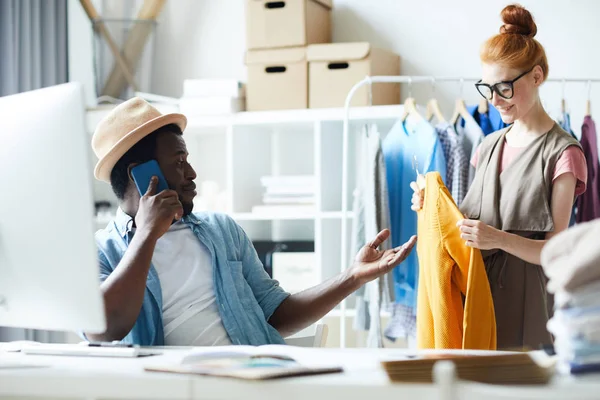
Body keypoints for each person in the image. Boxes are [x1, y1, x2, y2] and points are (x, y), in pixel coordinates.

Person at [86, 97, 417, 346]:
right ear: (143, 175)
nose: (192, 173)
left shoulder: (221, 231)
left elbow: (276, 314)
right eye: (179, 162)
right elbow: (104, 328)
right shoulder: (100, 252)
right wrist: (146, 234)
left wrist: (352, 277)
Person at [411, 4, 587, 350]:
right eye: (487, 88)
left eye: (504, 87)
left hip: (528, 307)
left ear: (537, 76)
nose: (494, 100)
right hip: (476, 297)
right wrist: (430, 207)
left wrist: (499, 239)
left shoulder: (564, 154)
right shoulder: (487, 145)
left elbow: (556, 250)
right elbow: (465, 226)